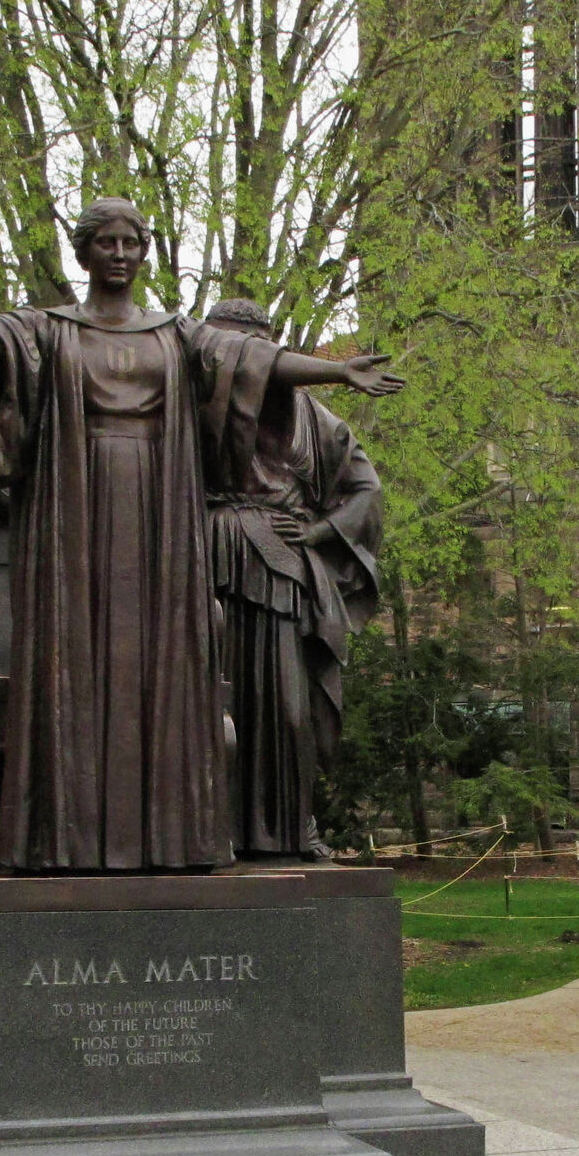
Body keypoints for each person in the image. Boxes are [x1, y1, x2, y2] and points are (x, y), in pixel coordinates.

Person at [0, 197, 401, 871]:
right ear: (83, 252)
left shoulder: (175, 335)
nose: (120, 256)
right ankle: (67, 835)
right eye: (107, 244)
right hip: (76, 506)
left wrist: (336, 370)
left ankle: (167, 836)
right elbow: (2, 343)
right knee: (75, 656)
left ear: (144, 252)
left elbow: (250, 361)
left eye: (131, 244)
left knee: (159, 664)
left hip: (157, 512)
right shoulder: (53, 329)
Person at [201, 298, 383, 859]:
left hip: (284, 571)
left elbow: (365, 489)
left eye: (244, 351)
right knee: (211, 698)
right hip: (213, 558)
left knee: (288, 706)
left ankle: (291, 823)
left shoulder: (317, 420)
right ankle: (212, 828)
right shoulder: (197, 409)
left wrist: (324, 532)